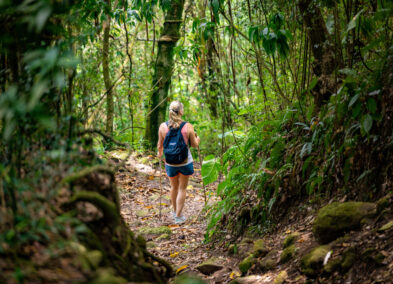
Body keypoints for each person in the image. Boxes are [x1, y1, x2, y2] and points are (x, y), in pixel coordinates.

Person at [157, 101, 200, 224]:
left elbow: (160, 146)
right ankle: (179, 216)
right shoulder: (188, 126)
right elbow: (194, 144)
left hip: (170, 163)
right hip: (185, 162)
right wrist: (198, 139)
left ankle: (175, 212)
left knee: (173, 187)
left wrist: (160, 155)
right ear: (181, 112)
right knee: (182, 188)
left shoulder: (162, 127)